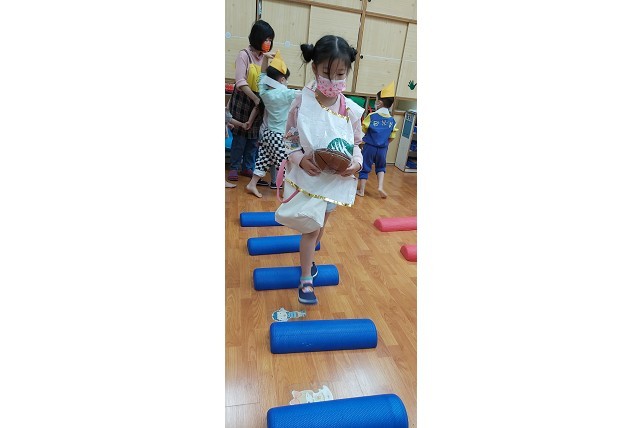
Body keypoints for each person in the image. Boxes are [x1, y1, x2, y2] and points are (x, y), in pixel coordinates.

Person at [277, 35, 364, 305]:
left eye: (340, 74)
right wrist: (300, 159)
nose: (333, 80)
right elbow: (290, 139)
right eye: (327, 73)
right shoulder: (301, 102)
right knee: (311, 230)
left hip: (333, 183)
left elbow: (356, 144)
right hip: (309, 177)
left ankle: (310, 259)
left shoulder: (349, 110)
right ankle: (306, 279)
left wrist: (356, 164)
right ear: (315, 68)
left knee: (321, 227)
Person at [245, 51, 300, 198]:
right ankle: (288, 193)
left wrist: (265, 59)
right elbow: (303, 95)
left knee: (263, 160)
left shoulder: (264, 92)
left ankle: (252, 184)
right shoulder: (284, 94)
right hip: (278, 135)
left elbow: (261, 76)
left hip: (267, 134)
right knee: (284, 164)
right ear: (282, 79)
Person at [227, 20, 274, 183]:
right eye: (266, 39)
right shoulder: (244, 55)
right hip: (244, 99)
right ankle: (234, 167)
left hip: (258, 100)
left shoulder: (264, 57)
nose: (268, 43)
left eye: (270, 40)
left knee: (253, 140)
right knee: (240, 138)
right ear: (257, 38)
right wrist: (254, 98)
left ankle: (248, 166)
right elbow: (240, 81)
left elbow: (265, 78)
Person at [357, 81, 398, 198]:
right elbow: (392, 137)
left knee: (365, 167)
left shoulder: (372, 116)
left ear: (379, 102)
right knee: (381, 167)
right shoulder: (392, 120)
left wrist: (361, 142)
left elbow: (363, 130)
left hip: (369, 147)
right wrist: (384, 143)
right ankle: (380, 187)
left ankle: (361, 190)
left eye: (376, 100)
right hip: (383, 149)